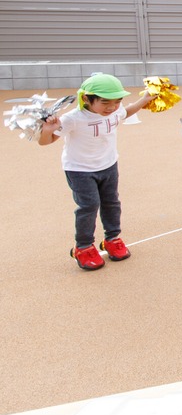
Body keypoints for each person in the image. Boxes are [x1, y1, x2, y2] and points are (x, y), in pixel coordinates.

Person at [38, 73, 155, 271]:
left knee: (112, 202)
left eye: (117, 101)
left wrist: (144, 100)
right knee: (89, 205)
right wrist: (47, 129)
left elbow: (126, 111)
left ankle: (112, 239)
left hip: (108, 165)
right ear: (86, 98)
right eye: (105, 102)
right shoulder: (73, 119)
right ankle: (83, 247)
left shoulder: (115, 113)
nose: (112, 107)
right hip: (79, 170)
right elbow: (45, 142)